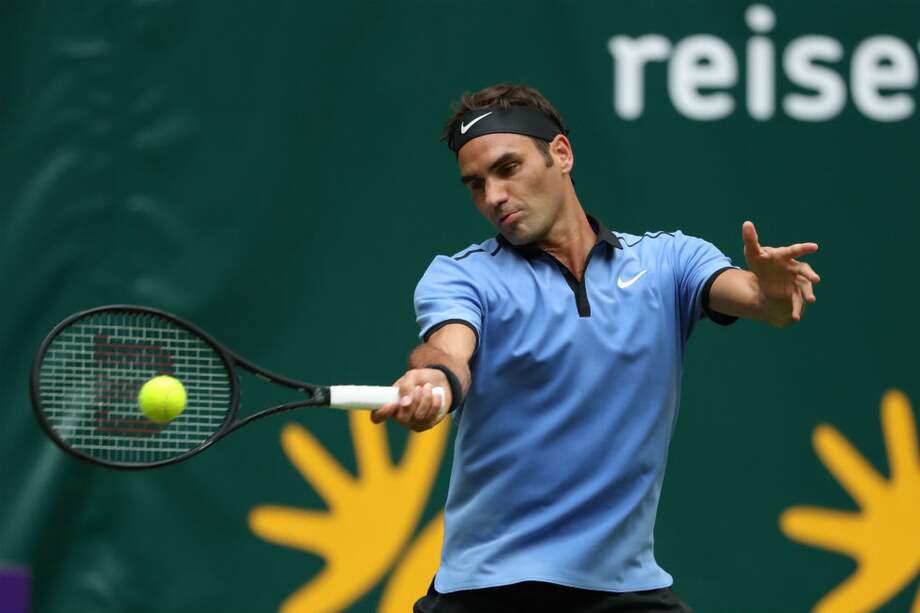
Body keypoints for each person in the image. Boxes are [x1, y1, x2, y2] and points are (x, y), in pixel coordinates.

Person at [371, 83, 820, 613]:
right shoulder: (461, 277)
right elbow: (448, 352)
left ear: (560, 154)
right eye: (476, 184)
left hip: (625, 590)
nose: (492, 196)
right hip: (491, 590)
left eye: (507, 168)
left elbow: (761, 301)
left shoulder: (668, 263)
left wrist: (771, 289)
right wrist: (435, 383)